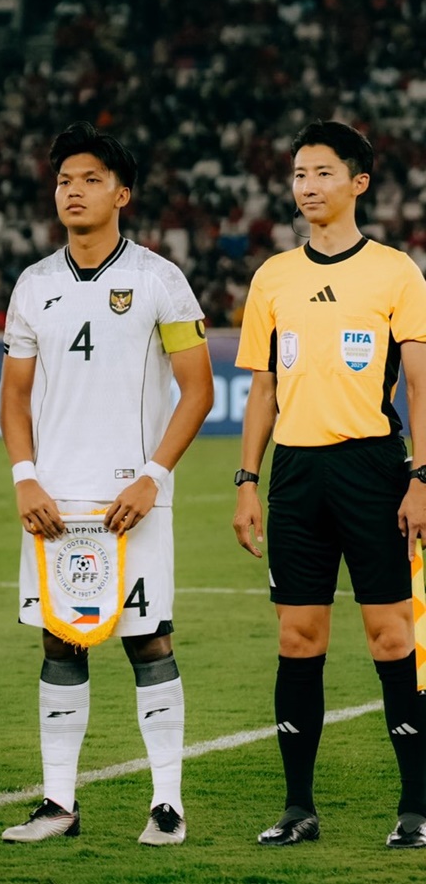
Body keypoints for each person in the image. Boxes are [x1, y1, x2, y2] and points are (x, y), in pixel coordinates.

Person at [0, 121, 213, 846]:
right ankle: (58, 803)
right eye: (64, 180)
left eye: (90, 179)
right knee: (61, 643)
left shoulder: (158, 279)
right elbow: (14, 396)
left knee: (149, 639)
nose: (73, 191)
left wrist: (154, 477)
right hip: (56, 503)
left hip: (132, 500)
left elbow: (198, 389)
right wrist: (26, 479)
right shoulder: (33, 285)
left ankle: (168, 803)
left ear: (121, 194)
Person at [232, 120, 426, 849]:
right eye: (298, 174)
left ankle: (415, 805)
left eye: (321, 173)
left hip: (374, 468)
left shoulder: (397, 272)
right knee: (298, 636)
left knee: (389, 635)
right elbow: (261, 391)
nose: (306, 186)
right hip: (297, 473)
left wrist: (422, 475)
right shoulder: (272, 277)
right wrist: (249, 480)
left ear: (358, 183)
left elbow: (417, 380)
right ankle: (297, 807)